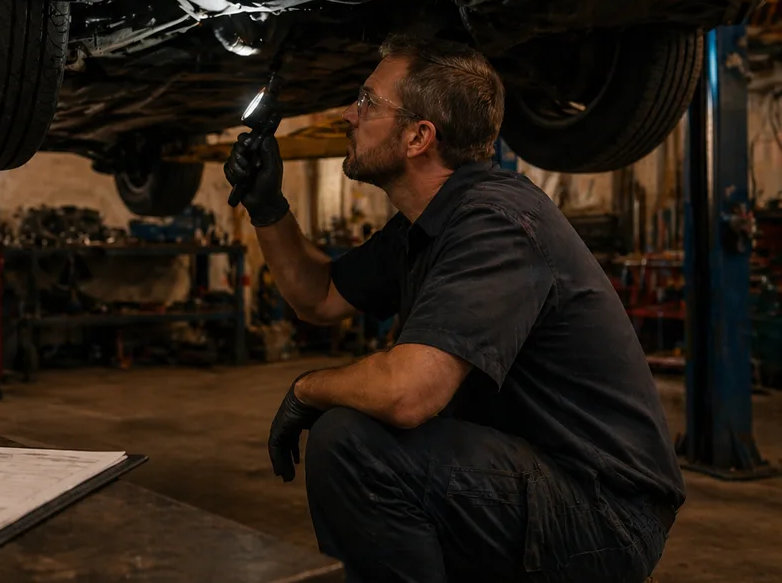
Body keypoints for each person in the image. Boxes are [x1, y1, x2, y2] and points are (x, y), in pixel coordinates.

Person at [223, 35, 684, 583]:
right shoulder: (429, 223)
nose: (348, 114)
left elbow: (409, 393)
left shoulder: (495, 223)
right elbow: (319, 297)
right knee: (364, 440)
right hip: (534, 477)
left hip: (602, 511)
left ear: (419, 136)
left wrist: (306, 389)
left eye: (367, 102)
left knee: (353, 446)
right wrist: (266, 204)